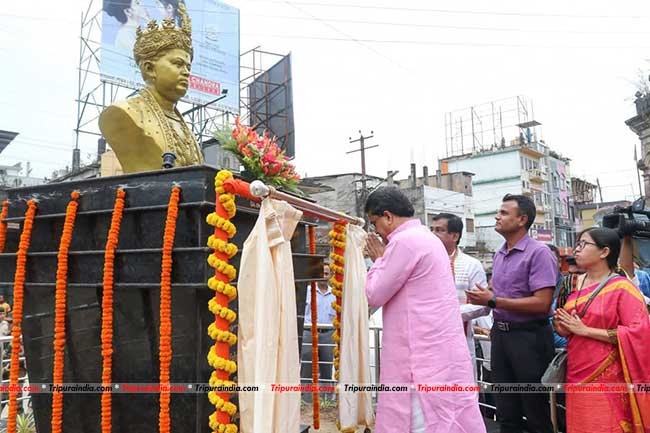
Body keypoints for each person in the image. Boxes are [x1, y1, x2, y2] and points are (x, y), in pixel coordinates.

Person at [364, 187, 486, 433]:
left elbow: (375, 293)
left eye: (375, 223)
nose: (376, 231)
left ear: (388, 216)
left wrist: (379, 259)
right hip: (437, 352)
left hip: (420, 358)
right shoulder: (426, 238)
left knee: (423, 421)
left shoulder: (404, 241)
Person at [466, 194, 556, 433]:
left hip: (529, 337)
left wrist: (494, 300)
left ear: (522, 220)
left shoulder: (539, 253)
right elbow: (496, 290)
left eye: (504, 213)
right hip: (501, 336)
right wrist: (482, 295)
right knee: (506, 410)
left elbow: (542, 303)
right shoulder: (500, 253)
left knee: (535, 410)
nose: (497, 216)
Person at [554, 227, 650, 432]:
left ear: (604, 252)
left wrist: (585, 330)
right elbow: (566, 328)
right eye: (577, 244)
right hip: (576, 371)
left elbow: (639, 332)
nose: (577, 249)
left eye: (584, 244)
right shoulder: (571, 283)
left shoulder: (622, 288)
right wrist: (563, 327)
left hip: (608, 377)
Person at [99, 2, 204, 173]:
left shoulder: (184, 126)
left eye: (188, 67)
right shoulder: (125, 112)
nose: (186, 72)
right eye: (178, 64)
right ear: (149, 68)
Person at [431, 212, 489, 380]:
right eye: (432, 229)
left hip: (460, 343)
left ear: (455, 236)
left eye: (439, 230)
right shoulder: (422, 262)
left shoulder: (471, 265)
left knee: (462, 394)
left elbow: (483, 305)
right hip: (427, 344)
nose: (433, 235)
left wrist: (447, 314)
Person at [300, 264, 336, 385]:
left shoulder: (335, 294)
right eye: (321, 273)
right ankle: (305, 397)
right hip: (309, 333)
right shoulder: (307, 292)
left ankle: (326, 398)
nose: (323, 276)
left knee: (327, 366)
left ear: (330, 275)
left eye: (326, 274)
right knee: (307, 365)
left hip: (328, 335)